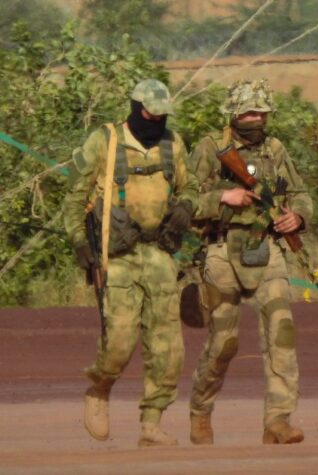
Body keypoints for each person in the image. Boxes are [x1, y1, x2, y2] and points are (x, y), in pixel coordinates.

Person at [62, 79, 199, 447]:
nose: (156, 121)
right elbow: (73, 199)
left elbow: (191, 186)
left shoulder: (173, 143)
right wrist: (79, 243)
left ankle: (152, 423)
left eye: (162, 115)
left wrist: (187, 206)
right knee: (120, 341)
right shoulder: (104, 141)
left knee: (168, 348)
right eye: (150, 114)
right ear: (136, 108)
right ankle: (100, 388)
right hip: (117, 257)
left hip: (160, 254)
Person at [187, 79, 312, 445]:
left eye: (261, 112)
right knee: (224, 343)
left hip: (266, 249)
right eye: (248, 112)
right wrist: (222, 197)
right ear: (234, 113)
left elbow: (300, 192)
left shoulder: (275, 149)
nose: (255, 118)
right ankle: (200, 410)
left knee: (281, 331)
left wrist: (298, 217)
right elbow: (184, 200)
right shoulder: (210, 148)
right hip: (221, 252)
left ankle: (278, 420)